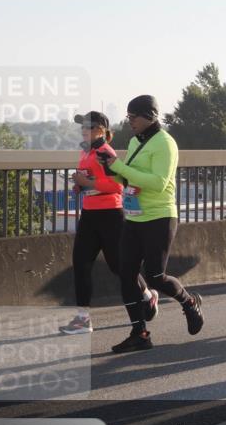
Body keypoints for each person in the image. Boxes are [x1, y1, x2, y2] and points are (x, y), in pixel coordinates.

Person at [98, 95, 204, 353]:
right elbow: (131, 179)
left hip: (160, 216)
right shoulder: (135, 141)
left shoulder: (165, 143)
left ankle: (188, 302)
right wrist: (113, 170)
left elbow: (157, 182)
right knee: (126, 275)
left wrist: (120, 166)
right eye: (128, 116)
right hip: (135, 217)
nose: (129, 121)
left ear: (149, 116)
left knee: (155, 276)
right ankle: (140, 333)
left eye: (133, 116)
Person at [60, 112, 158, 335]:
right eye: (82, 126)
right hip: (90, 214)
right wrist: (81, 186)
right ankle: (83, 320)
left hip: (110, 215)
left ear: (102, 130)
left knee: (119, 266)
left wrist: (86, 182)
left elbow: (117, 186)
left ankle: (147, 296)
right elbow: (93, 181)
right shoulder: (86, 152)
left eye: (89, 126)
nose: (84, 129)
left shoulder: (105, 152)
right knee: (81, 264)